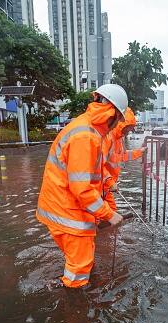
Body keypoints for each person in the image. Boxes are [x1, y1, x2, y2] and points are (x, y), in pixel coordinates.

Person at [36, 84, 128, 288]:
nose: (117, 126)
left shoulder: (86, 129)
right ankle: (74, 312)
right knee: (78, 272)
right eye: (119, 120)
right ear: (112, 113)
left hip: (62, 208)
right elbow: (82, 188)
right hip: (69, 213)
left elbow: (89, 177)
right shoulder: (87, 135)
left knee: (79, 263)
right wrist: (109, 214)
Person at [102, 107, 146, 210]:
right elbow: (97, 164)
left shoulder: (119, 139)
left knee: (110, 213)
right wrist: (110, 182)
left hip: (107, 185)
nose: (129, 131)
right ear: (121, 124)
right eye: (128, 128)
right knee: (109, 213)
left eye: (131, 128)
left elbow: (122, 156)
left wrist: (140, 152)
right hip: (102, 184)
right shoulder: (108, 137)